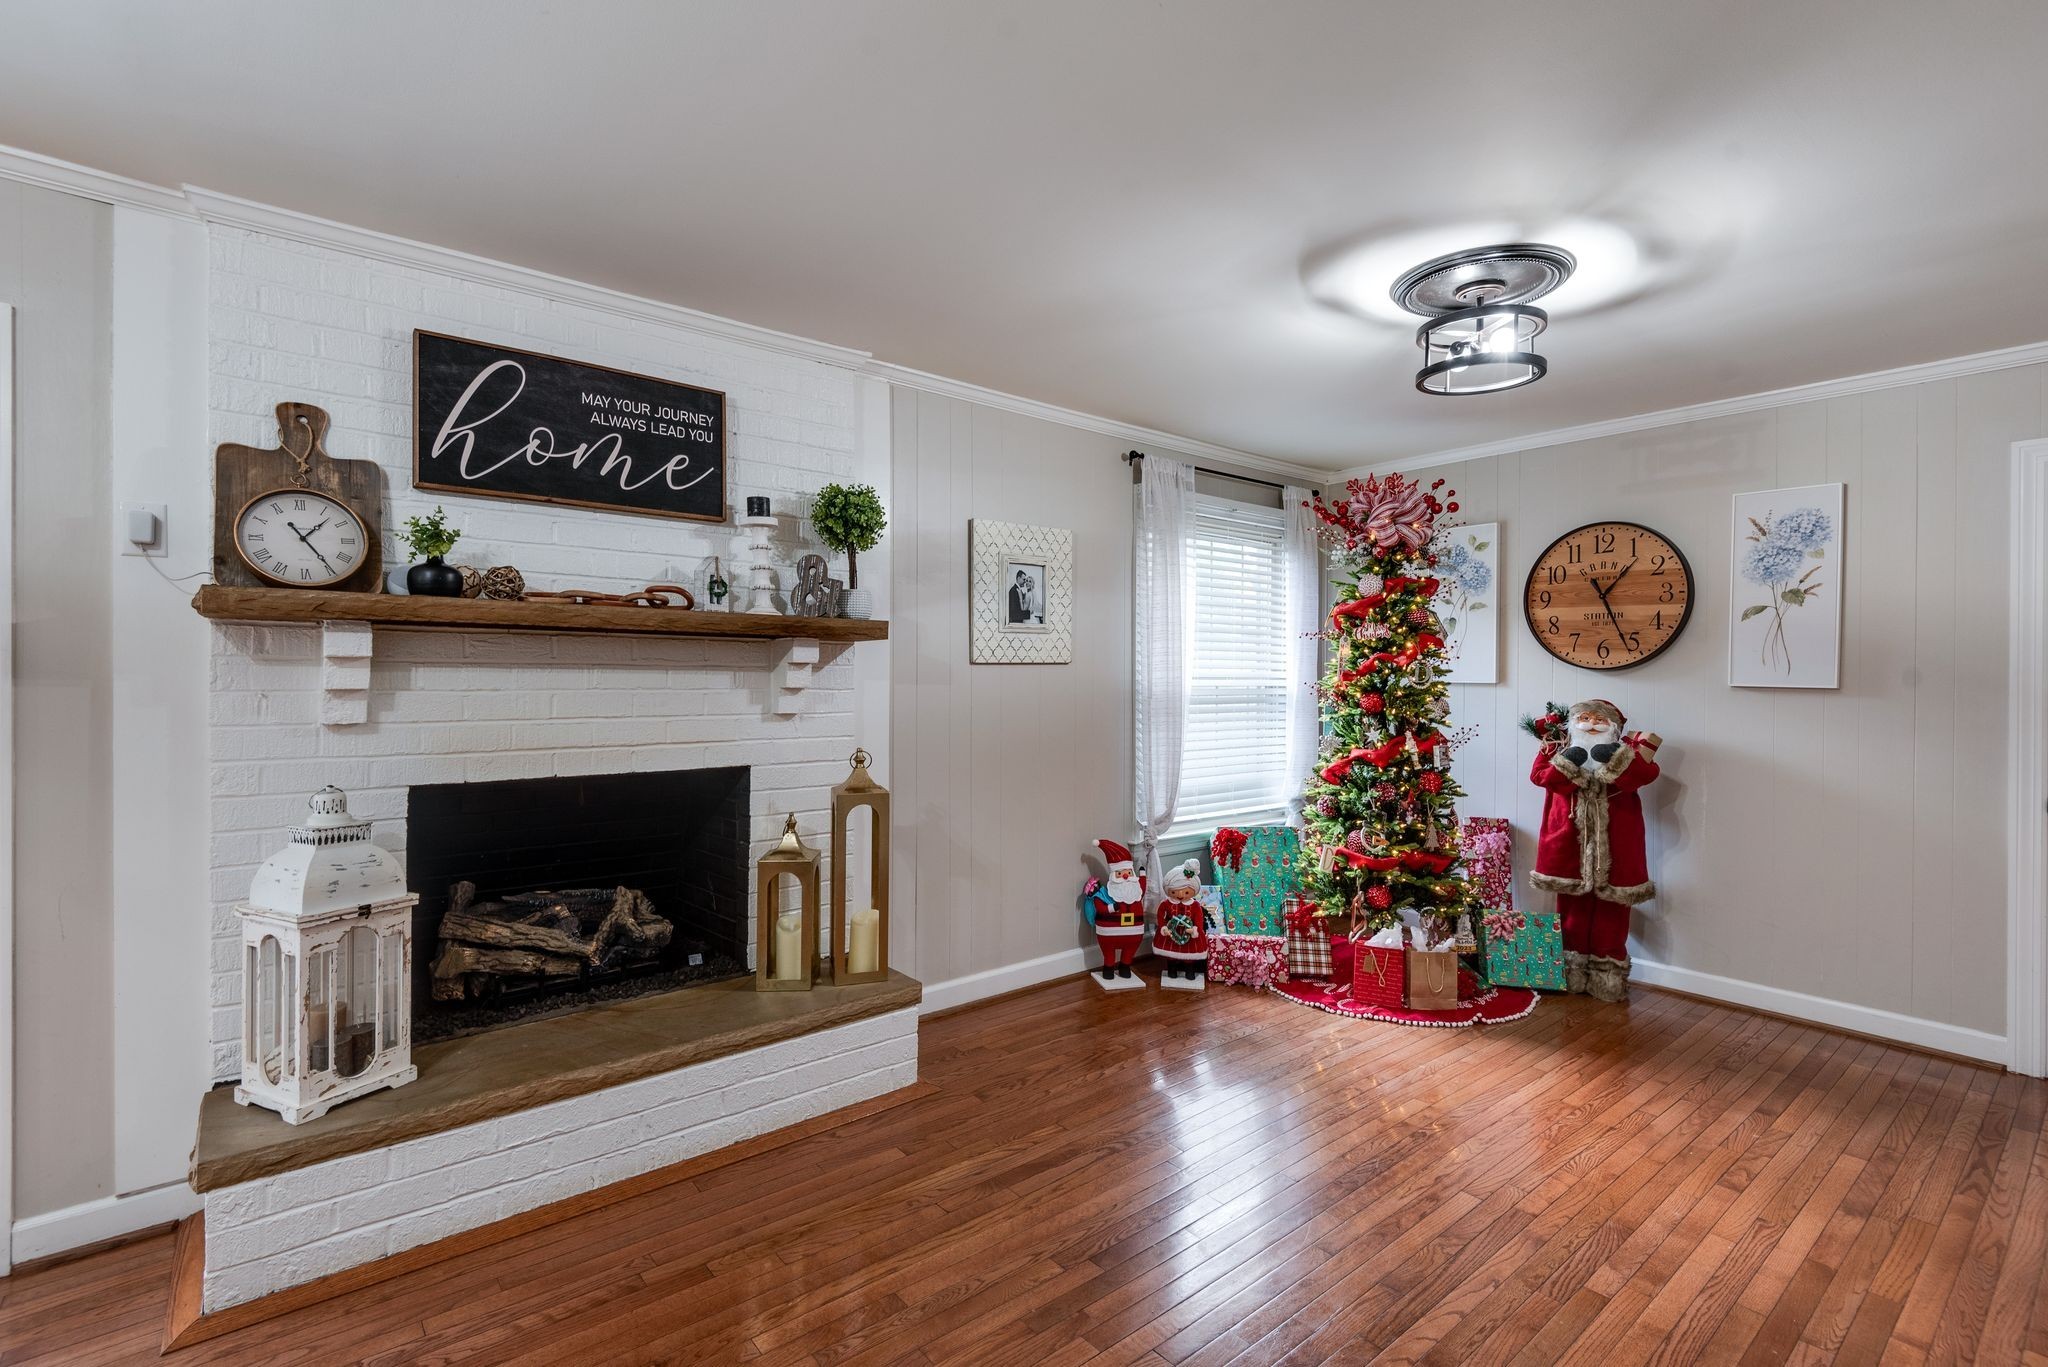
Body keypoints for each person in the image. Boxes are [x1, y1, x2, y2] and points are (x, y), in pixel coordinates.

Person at [1528, 699, 1662, 1002]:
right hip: (1567, 840)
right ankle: (1571, 973)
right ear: (1573, 723)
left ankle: (1607, 979)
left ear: (1613, 727)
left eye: (1599, 720)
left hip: (1616, 844)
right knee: (1571, 911)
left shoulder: (1626, 750)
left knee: (1612, 912)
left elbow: (1646, 775)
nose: (1590, 724)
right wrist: (1568, 762)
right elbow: (1540, 777)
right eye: (1584, 718)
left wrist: (1615, 761)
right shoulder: (1557, 748)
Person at [1083, 838, 1146, 983]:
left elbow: (1142, 886)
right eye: (1120, 873)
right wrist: (1112, 907)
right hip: (1109, 933)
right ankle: (1109, 968)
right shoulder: (1105, 894)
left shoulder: (1136, 890)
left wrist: (1142, 875)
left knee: (1129, 950)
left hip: (1133, 932)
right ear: (1113, 875)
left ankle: (1125, 966)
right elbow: (1100, 907)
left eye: (1128, 873)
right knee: (1109, 952)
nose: (1125, 876)